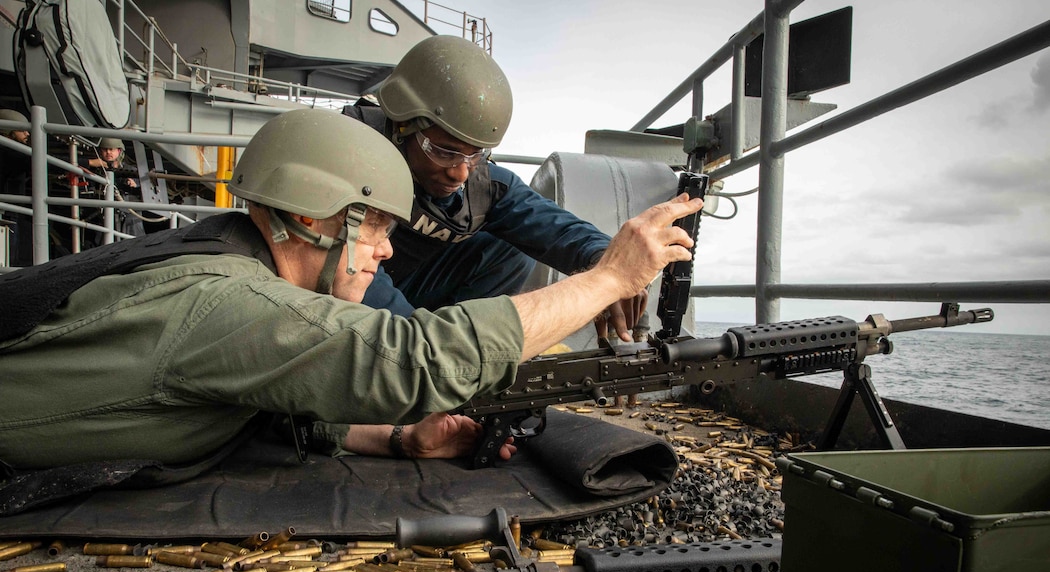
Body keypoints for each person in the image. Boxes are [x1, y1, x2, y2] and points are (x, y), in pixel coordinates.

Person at [0, 108, 702, 477]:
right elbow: (412, 360)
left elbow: (249, 400)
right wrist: (610, 277)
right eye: (374, 231)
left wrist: (397, 440)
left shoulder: (227, 255)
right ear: (311, 217)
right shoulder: (225, 301)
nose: (388, 251)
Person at [345, 36, 647, 343]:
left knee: (513, 246)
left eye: (474, 154)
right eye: (444, 152)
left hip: (411, 286)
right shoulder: (343, 154)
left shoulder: (484, 185)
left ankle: (454, 344)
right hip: (340, 293)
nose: (460, 172)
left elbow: (554, 227)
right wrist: (418, 349)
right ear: (401, 126)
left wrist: (608, 266)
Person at [0, 108, 34, 267]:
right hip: (7, 213)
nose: (27, 134)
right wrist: (86, 163)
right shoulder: (6, 150)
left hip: (10, 211)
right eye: (22, 130)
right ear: (8, 131)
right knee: (9, 262)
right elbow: (36, 161)